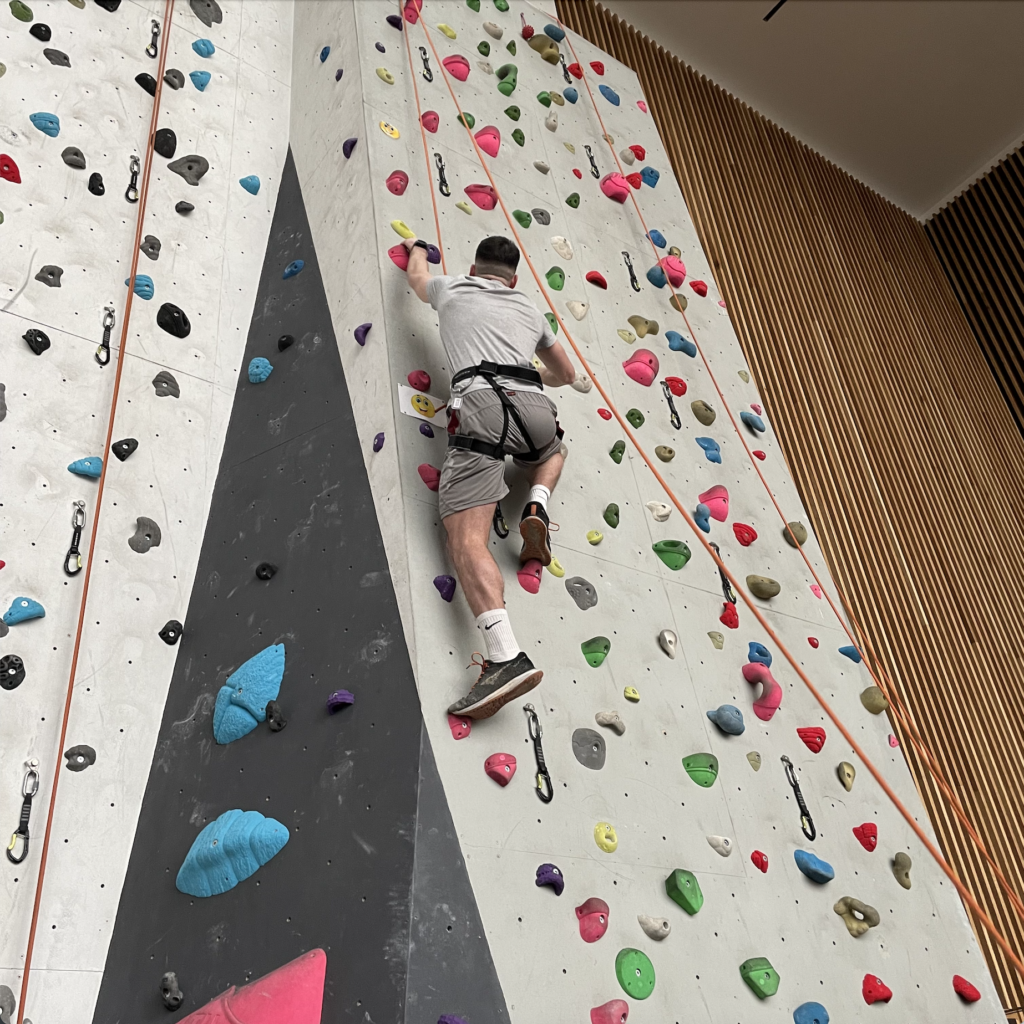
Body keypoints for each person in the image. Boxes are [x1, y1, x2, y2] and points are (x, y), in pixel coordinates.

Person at [403, 234, 578, 719]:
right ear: (513, 279)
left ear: (475, 268)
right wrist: (522, 371)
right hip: (535, 406)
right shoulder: (529, 308)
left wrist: (418, 249)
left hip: (481, 406)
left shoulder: (451, 287)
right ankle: (538, 499)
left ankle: (504, 655)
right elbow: (563, 375)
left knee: (465, 540)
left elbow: (416, 278)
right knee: (554, 448)